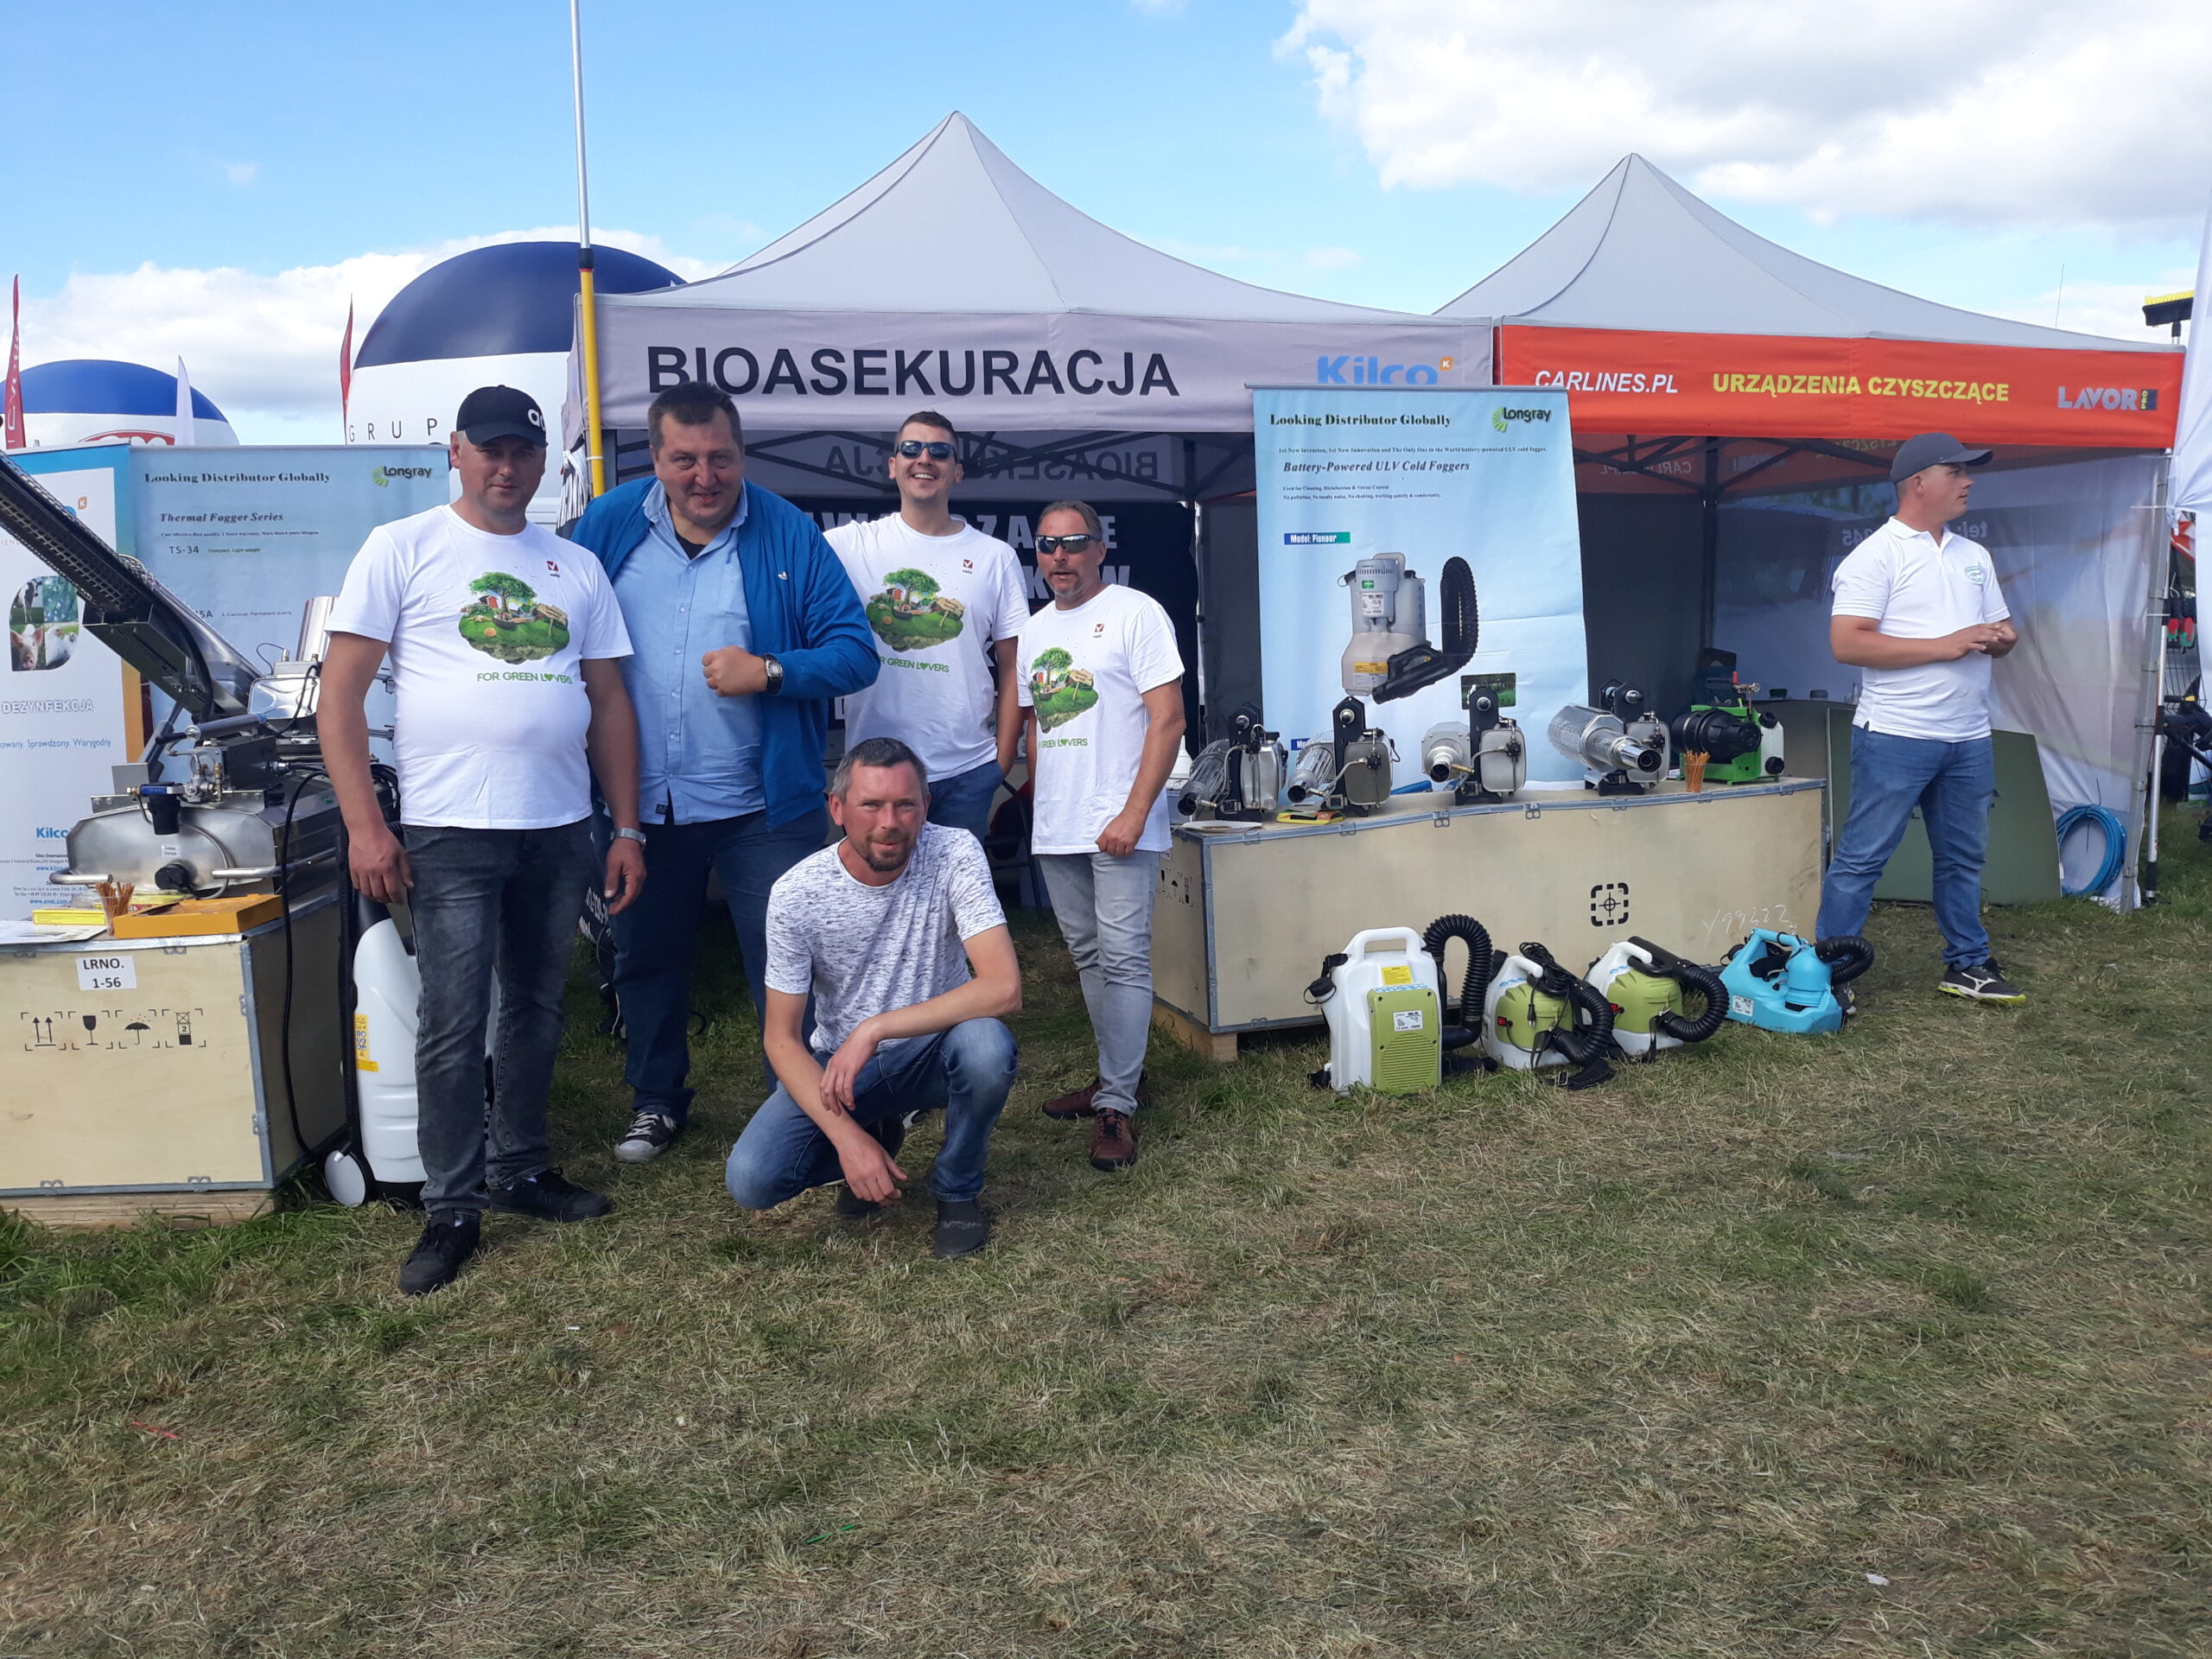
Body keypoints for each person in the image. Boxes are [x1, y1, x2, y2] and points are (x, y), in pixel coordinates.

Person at [321, 385, 647, 1297]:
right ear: (456, 454)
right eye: (491, 450)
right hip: (450, 828)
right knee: (454, 1023)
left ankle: (521, 1168)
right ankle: (452, 1206)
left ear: (543, 462)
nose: (507, 468)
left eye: (523, 452)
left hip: (558, 824)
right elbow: (340, 697)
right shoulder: (402, 547)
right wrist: (365, 827)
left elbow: (609, 703)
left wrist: (624, 826)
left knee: (536, 1008)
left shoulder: (574, 566)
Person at [569, 382, 879, 1165]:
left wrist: (769, 671)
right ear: (654, 459)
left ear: (742, 454)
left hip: (761, 807)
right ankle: (656, 1101)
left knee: (789, 962)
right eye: (684, 460)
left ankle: (806, 1107)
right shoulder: (608, 525)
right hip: (642, 804)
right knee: (645, 955)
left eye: (720, 458)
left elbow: (855, 653)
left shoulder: (788, 532)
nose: (704, 477)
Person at [724, 737, 1020, 1258]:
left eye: (905, 804)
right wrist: (848, 1140)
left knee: (986, 1047)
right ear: (837, 809)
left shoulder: (954, 851)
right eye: (871, 805)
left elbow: (1003, 987)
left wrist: (874, 1028)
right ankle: (875, 1136)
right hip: (842, 1070)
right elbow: (781, 1039)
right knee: (753, 1180)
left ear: (925, 806)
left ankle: (957, 1190)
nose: (890, 822)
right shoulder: (797, 894)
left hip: (934, 1049)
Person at [1816, 431, 2024, 1004]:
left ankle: (1969, 964)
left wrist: (2001, 639)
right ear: (1919, 483)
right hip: (1896, 735)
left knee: (1963, 859)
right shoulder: (1875, 555)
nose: (1968, 482)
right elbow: (1847, 643)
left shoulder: (1974, 556)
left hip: (1969, 736)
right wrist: (1947, 645)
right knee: (1862, 860)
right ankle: (1828, 975)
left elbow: (2001, 633)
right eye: (1956, 472)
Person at [1019, 500, 1185, 1171]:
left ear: (1099, 549)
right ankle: (1120, 1075)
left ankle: (1116, 1104)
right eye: (1047, 546)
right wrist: (1040, 800)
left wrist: (1134, 813)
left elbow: (1168, 719)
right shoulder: (1033, 630)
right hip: (1059, 825)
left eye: (1073, 543)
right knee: (1089, 958)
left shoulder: (1136, 612)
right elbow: (1038, 725)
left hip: (1120, 823)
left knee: (1123, 961)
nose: (1059, 557)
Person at [826, 411, 1029, 848]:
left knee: (955, 891)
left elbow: (1015, 664)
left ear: (957, 471)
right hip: (874, 770)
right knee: (878, 888)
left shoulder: (995, 557)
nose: (924, 459)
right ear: (892, 465)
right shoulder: (849, 545)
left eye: (939, 451)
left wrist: (1002, 758)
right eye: (911, 449)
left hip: (966, 770)